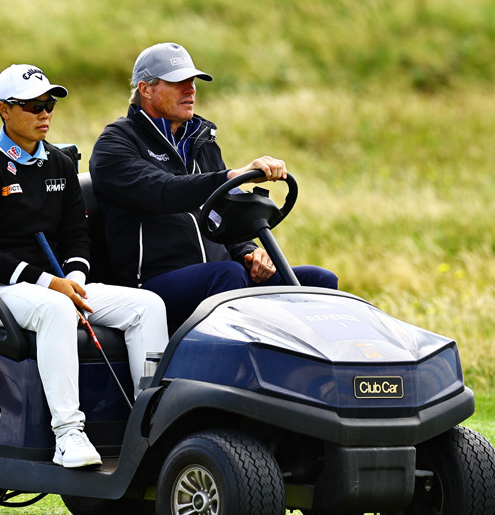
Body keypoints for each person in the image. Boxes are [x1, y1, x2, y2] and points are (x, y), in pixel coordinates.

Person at [0, 63, 168, 469]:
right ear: (4, 110)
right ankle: (68, 433)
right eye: (33, 106)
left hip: (53, 284)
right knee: (57, 309)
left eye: (49, 104)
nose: (45, 113)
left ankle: (151, 427)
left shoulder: (60, 165)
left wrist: (74, 277)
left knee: (148, 306)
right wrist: (50, 284)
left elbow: (76, 236)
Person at [89, 42, 338, 331]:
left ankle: (309, 373)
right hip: (152, 285)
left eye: (192, 82)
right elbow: (163, 191)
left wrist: (249, 251)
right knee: (228, 275)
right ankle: (234, 373)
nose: (190, 90)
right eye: (178, 82)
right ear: (145, 89)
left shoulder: (202, 141)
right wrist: (229, 176)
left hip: (222, 274)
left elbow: (227, 213)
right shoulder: (115, 144)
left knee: (319, 281)